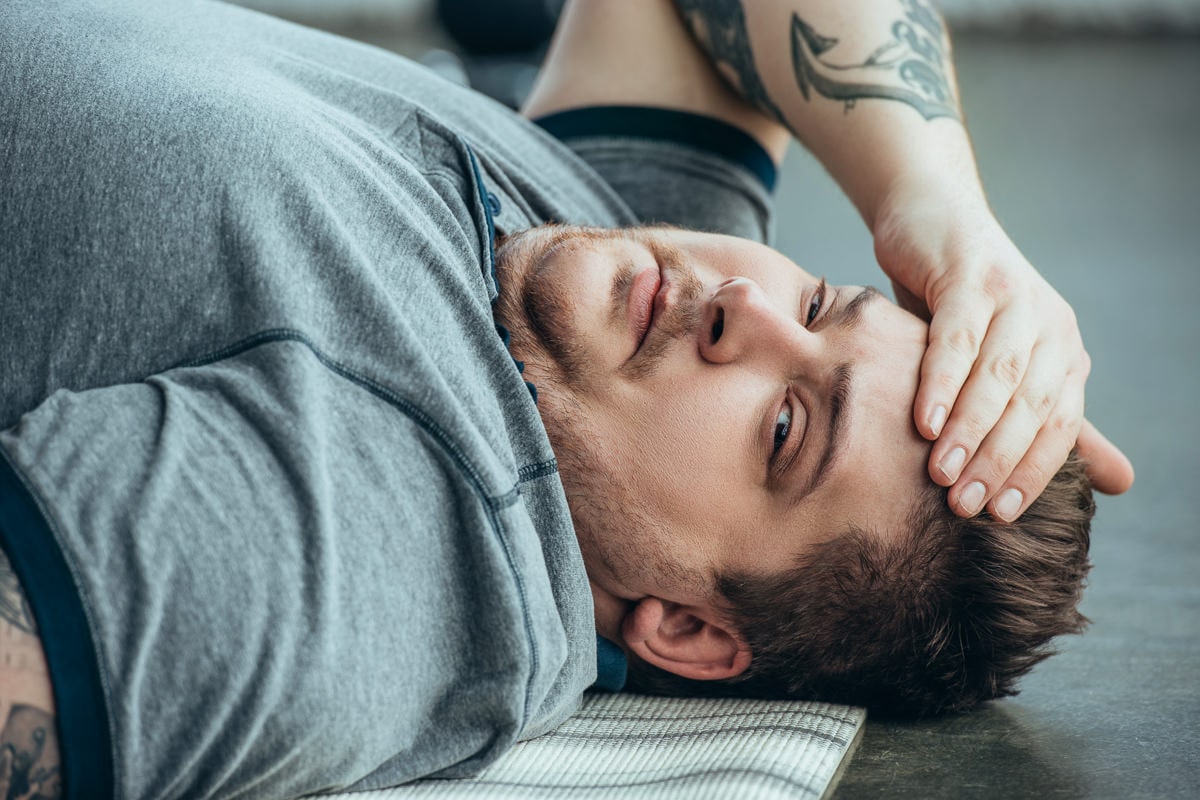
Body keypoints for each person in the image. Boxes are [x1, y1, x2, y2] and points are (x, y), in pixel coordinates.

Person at [0, 0, 1131, 798]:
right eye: (826, 299)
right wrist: (938, 207)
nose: (747, 299)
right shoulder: (607, 262)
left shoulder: (371, 548)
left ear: (686, 628)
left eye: (787, 426)